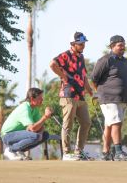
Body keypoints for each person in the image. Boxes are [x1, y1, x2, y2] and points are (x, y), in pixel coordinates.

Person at [49, 31, 94, 161]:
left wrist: (89, 90)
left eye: (84, 43)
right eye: (80, 43)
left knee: (86, 122)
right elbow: (52, 64)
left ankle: (79, 152)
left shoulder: (81, 57)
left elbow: (83, 76)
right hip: (68, 94)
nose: (83, 45)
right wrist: (63, 76)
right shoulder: (65, 55)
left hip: (80, 95)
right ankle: (66, 153)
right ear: (73, 44)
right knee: (68, 123)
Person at [91, 35, 127, 161]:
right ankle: (119, 152)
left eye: (124, 45)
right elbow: (94, 78)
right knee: (116, 123)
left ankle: (105, 153)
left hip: (122, 98)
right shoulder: (106, 60)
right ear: (112, 46)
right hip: (109, 97)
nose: (123, 47)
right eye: (120, 45)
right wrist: (98, 92)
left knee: (109, 124)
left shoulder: (125, 61)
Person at [1, 88, 52, 161]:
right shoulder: (25, 107)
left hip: (18, 135)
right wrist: (45, 117)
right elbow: (33, 128)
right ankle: (10, 150)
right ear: (32, 98)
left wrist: (40, 133)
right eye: (40, 98)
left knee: (45, 135)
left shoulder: (35, 109)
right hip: (7, 135)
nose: (42, 100)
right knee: (35, 136)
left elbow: (40, 127)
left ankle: (19, 151)